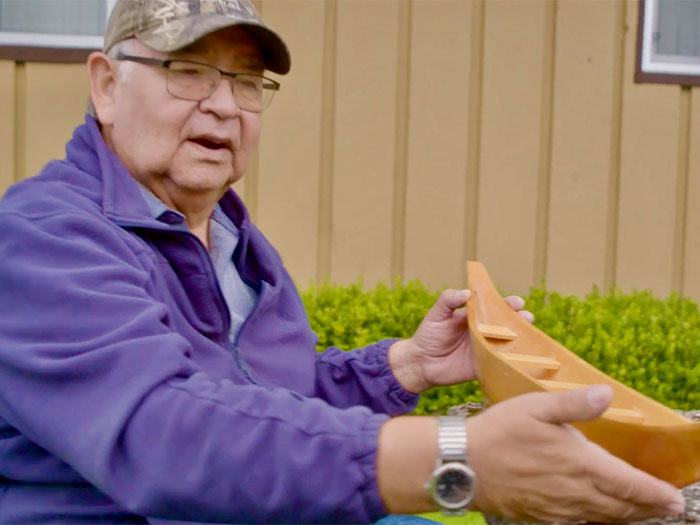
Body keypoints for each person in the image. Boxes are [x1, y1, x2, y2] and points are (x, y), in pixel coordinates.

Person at [0, 0, 686, 523]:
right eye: (188, 71)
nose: (223, 104)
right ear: (106, 86)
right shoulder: (44, 239)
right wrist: (452, 453)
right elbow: (162, 427)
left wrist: (403, 367)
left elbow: (263, 403)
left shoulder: (236, 245)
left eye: (246, 81)